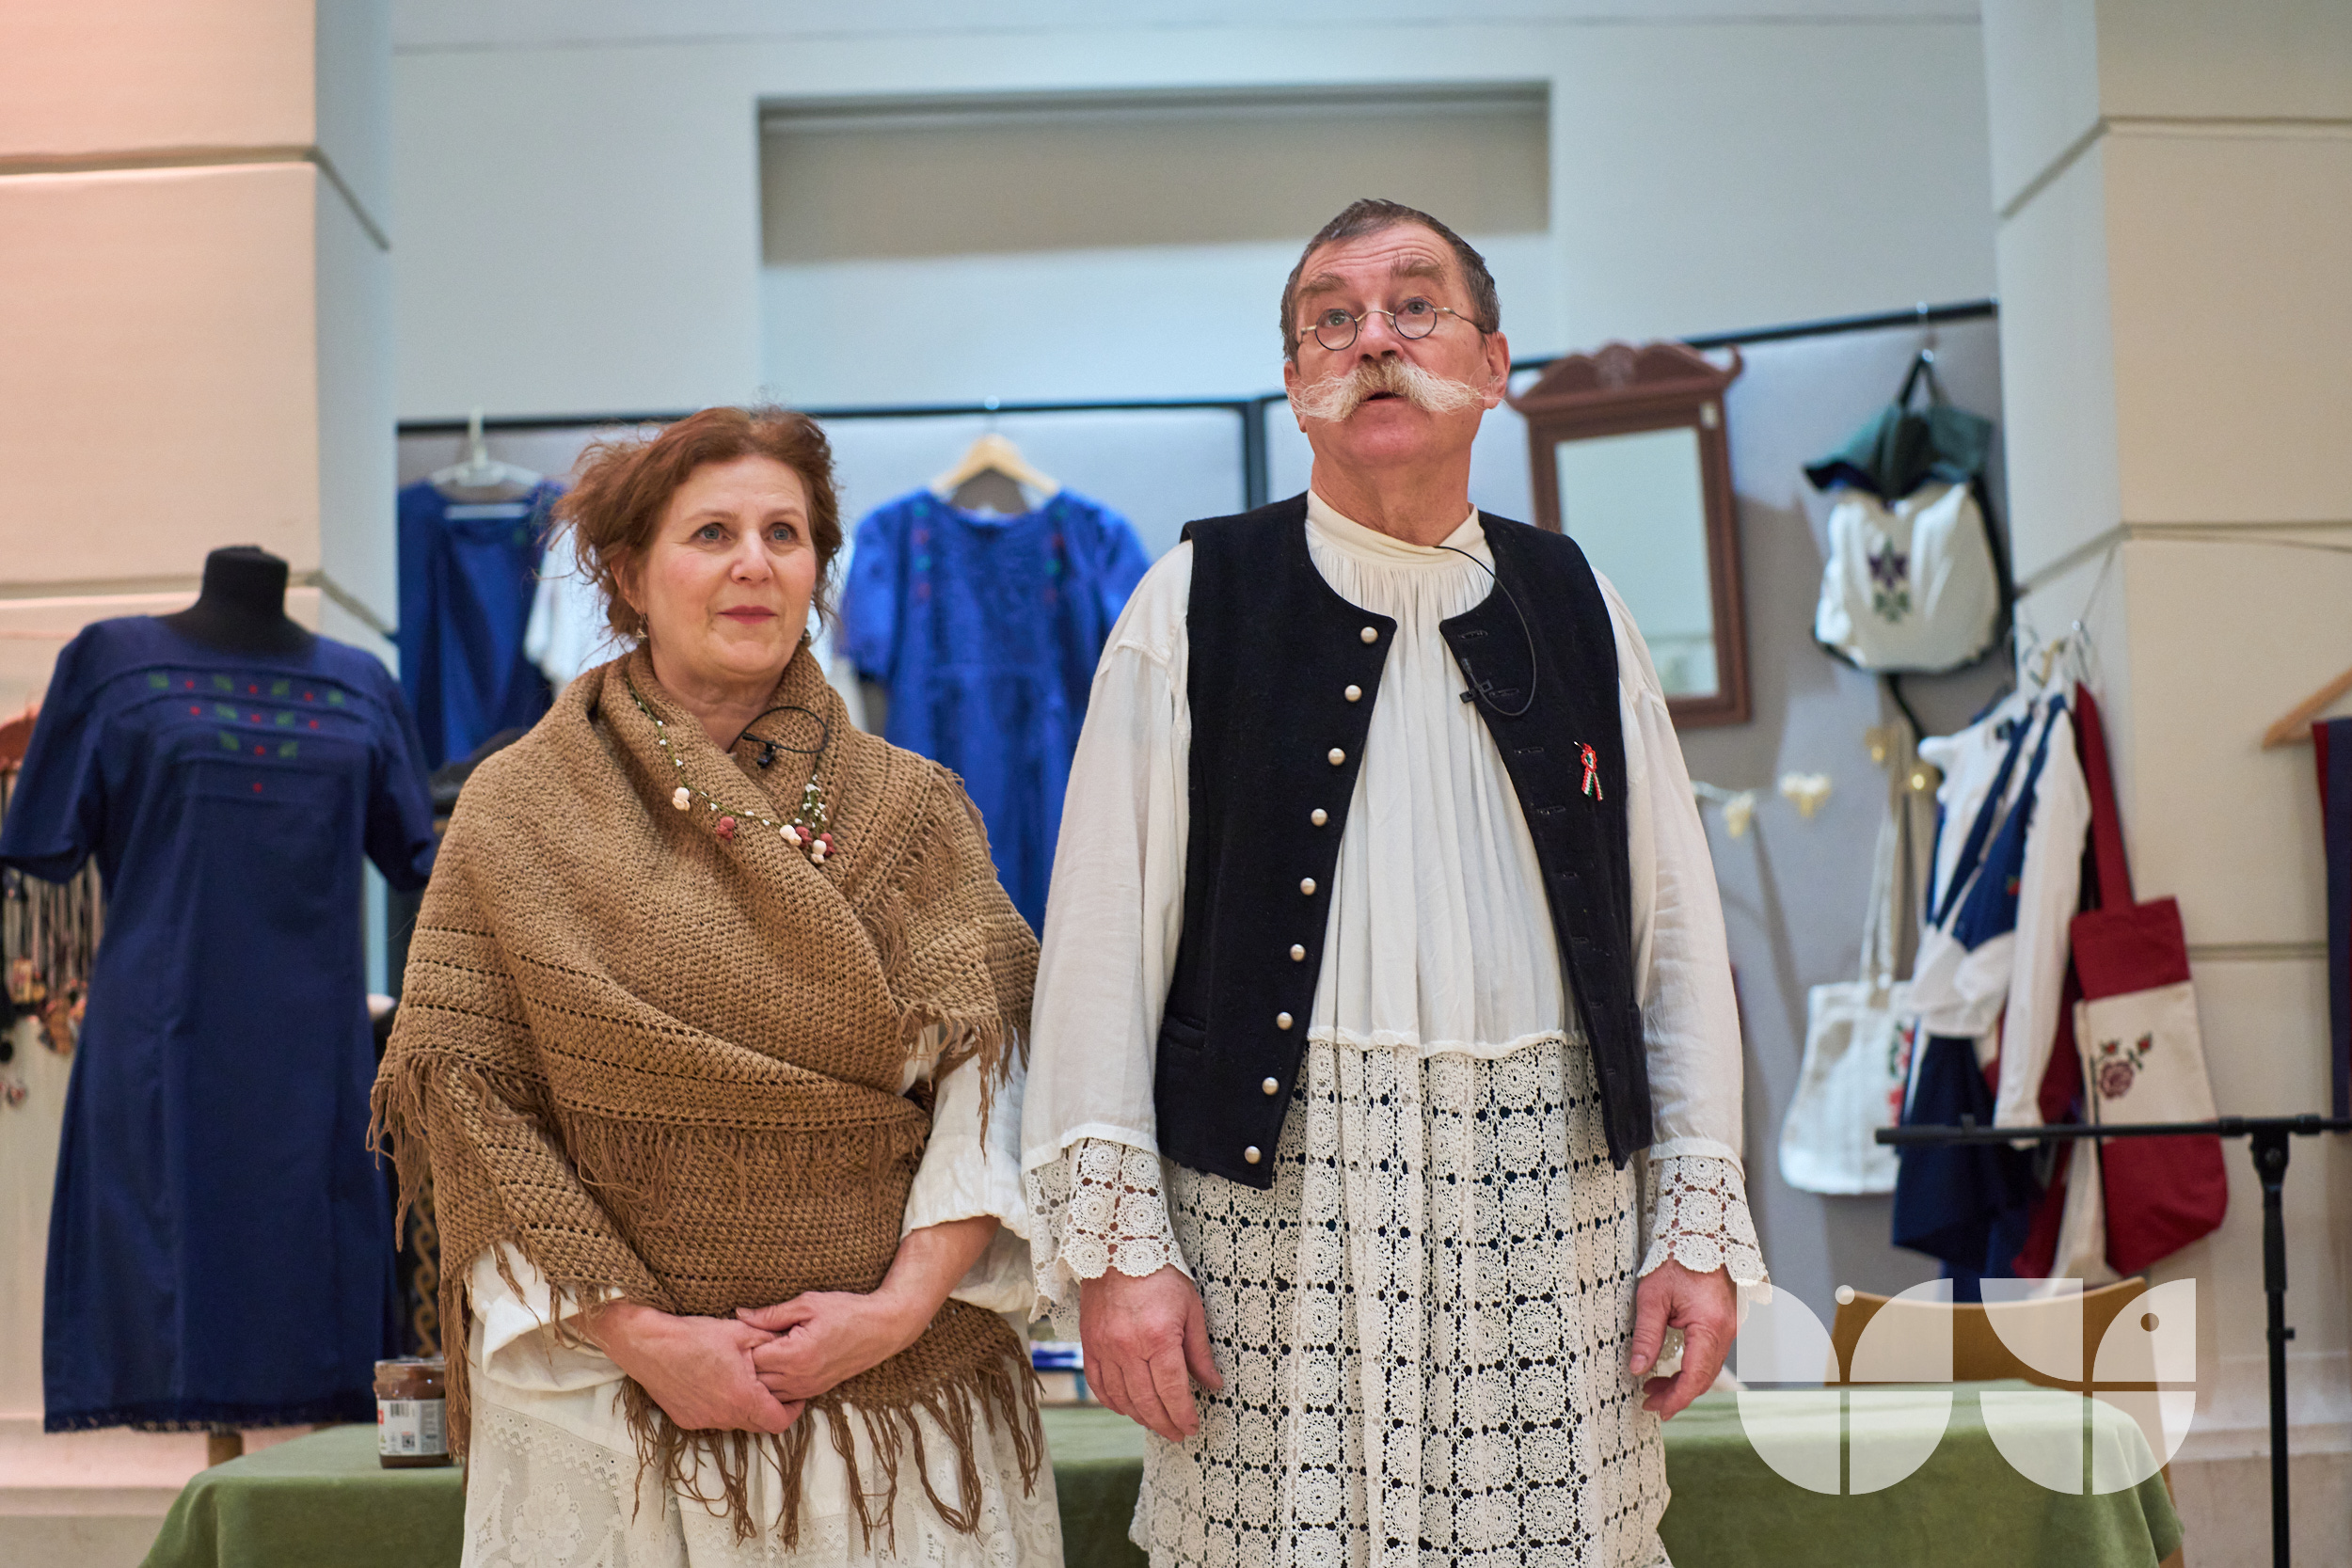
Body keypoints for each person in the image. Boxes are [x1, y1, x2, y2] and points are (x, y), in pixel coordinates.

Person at [1022, 199, 1766, 1568]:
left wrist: (1697, 1225)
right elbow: (1097, 949)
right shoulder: (1192, 599)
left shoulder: (1579, 602)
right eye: (1332, 318)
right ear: (1293, 381)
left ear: (1493, 364)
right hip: (1270, 1229)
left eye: (1414, 305)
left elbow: (1670, 943)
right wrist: (1120, 1256)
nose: (1373, 339)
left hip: (1554, 1216)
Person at [373, 406, 1057, 1566]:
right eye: (711, 533)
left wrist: (891, 1310)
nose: (754, 562)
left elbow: (991, 1078)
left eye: (785, 533)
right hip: (611, 1405)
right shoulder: (518, 808)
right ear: (628, 573)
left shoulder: (915, 805)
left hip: (899, 1398)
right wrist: (644, 1336)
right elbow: (474, 1104)